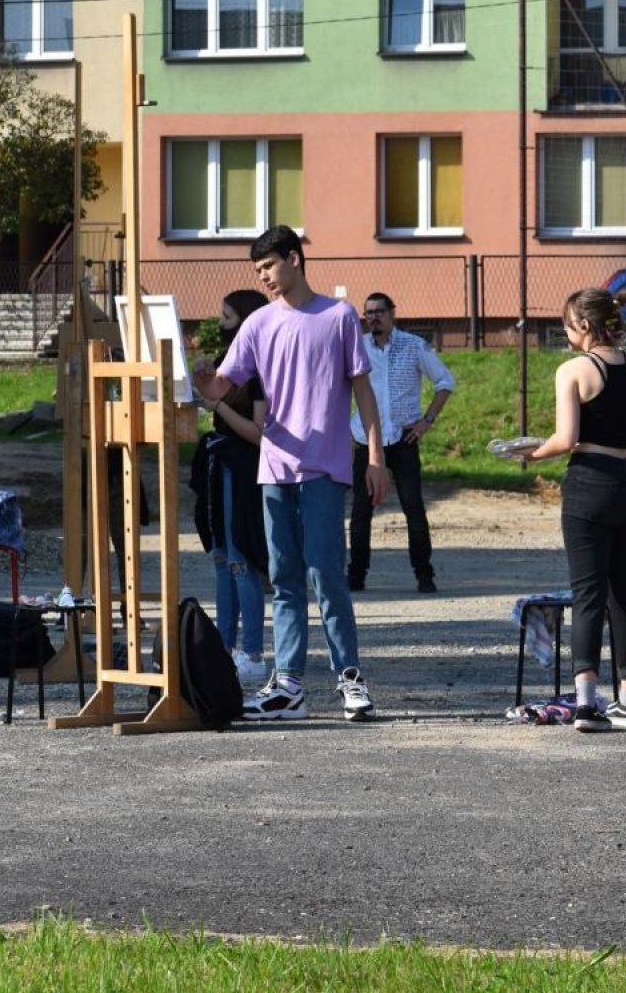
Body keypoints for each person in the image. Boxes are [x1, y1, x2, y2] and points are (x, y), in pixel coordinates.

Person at [191, 225, 390, 722]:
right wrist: (201, 380)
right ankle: (289, 686)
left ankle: (350, 678)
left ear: (294, 259)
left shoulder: (339, 317)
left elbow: (363, 393)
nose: (263, 277)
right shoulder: (258, 323)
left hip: (324, 467)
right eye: (257, 270)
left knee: (326, 574)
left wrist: (375, 458)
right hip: (275, 467)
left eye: (268, 267)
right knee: (283, 578)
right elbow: (222, 386)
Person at [524, 287, 626, 732]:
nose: (565, 331)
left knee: (588, 593)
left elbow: (566, 438)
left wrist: (530, 453)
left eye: (567, 324)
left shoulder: (573, 370)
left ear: (585, 325)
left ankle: (586, 705)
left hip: (591, 482)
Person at [348, 292, 455, 594]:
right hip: (367, 439)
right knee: (361, 511)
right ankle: (356, 575)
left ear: (392, 313)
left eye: (379, 311)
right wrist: (346, 428)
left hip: (403, 438)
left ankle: (424, 574)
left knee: (413, 508)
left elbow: (445, 382)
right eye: (368, 313)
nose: (374, 317)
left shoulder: (413, 345)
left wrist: (426, 421)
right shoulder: (357, 348)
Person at [191, 288, 272, 684]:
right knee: (222, 559)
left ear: (247, 321)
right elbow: (208, 395)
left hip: (244, 470)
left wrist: (218, 405)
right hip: (220, 465)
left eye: (227, 317)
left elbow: (259, 433)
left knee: (242, 562)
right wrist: (202, 379)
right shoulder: (228, 362)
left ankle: (252, 652)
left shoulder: (260, 368)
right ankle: (223, 649)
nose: (220, 324)